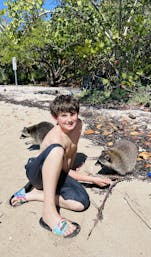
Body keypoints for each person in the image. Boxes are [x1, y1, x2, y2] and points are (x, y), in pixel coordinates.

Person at [9, 94, 111, 238]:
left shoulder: (78, 125)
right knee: (57, 150)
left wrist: (88, 177)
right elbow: (63, 169)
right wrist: (91, 179)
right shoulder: (55, 138)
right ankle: (49, 214)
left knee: (81, 204)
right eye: (63, 115)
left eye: (72, 114)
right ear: (55, 117)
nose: (69, 119)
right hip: (38, 173)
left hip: (58, 173)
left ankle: (35, 195)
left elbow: (68, 164)